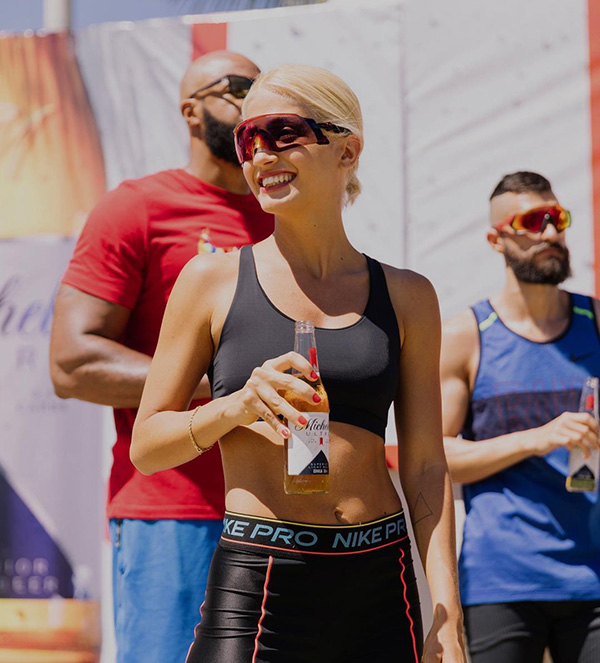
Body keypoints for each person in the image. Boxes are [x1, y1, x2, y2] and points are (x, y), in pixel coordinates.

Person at [131, 63, 466, 663]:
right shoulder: (211, 280)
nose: (260, 154)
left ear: (347, 149)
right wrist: (231, 407)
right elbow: (147, 446)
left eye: (282, 132)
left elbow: (424, 468)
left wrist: (447, 613)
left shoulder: (410, 295)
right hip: (261, 579)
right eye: (247, 139)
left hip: (380, 581)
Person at [49, 51, 274, 663]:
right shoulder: (138, 208)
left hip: (287, 512)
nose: (256, 100)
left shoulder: (292, 221)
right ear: (190, 111)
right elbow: (72, 362)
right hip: (174, 511)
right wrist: (224, 392)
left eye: (266, 89)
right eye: (238, 89)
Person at [441, 171, 600, 663]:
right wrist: (537, 439)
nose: (551, 233)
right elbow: (437, 456)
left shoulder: (595, 322)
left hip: (592, 573)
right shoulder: (467, 334)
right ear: (497, 239)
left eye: (558, 218)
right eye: (533, 221)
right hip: (501, 577)